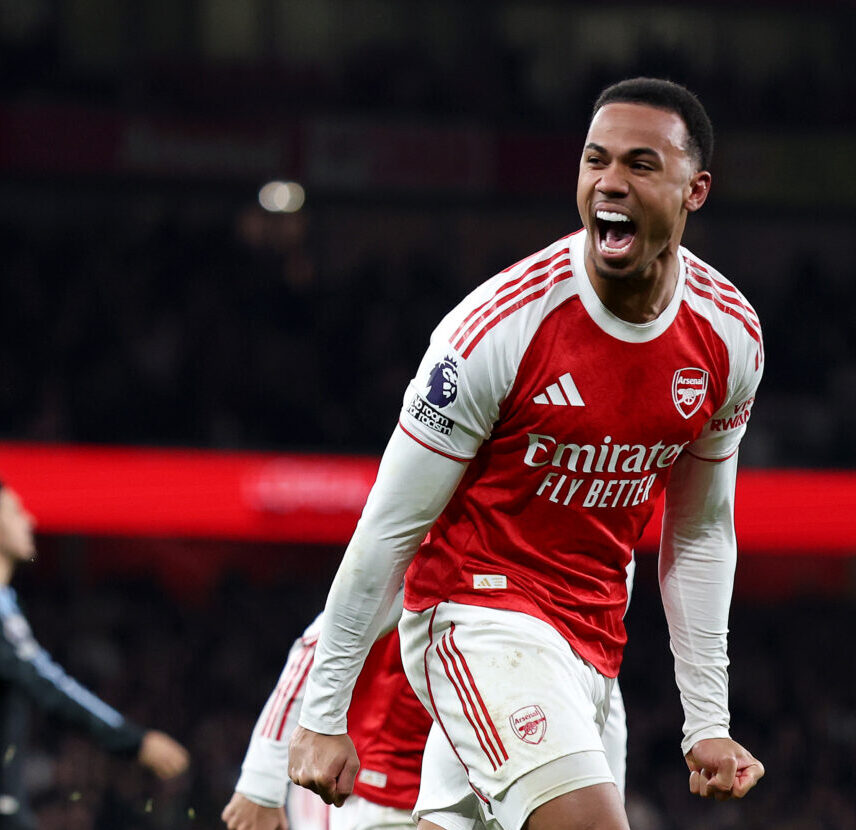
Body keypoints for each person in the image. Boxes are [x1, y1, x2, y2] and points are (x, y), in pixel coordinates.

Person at [287, 76, 764, 830]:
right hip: (475, 614)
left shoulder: (728, 335)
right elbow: (390, 523)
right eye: (595, 160)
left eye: (640, 164)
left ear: (694, 190)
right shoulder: (497, 328)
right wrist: (324, 711)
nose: (610, 182)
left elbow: (701, 528)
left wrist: (707, 719)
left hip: (593, 644)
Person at [224, 597, 628, 830]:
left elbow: (599, 701)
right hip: (374, 793)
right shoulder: (437, 561)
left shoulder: (554, 594)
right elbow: (318, 645)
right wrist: (260, 784)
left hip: (476, 790)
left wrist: (608, 793)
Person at [0, 480, 190, 829]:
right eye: (14, 511)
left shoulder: (9, 605)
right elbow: (47, 683)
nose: (29, 520)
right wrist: (132, 740)